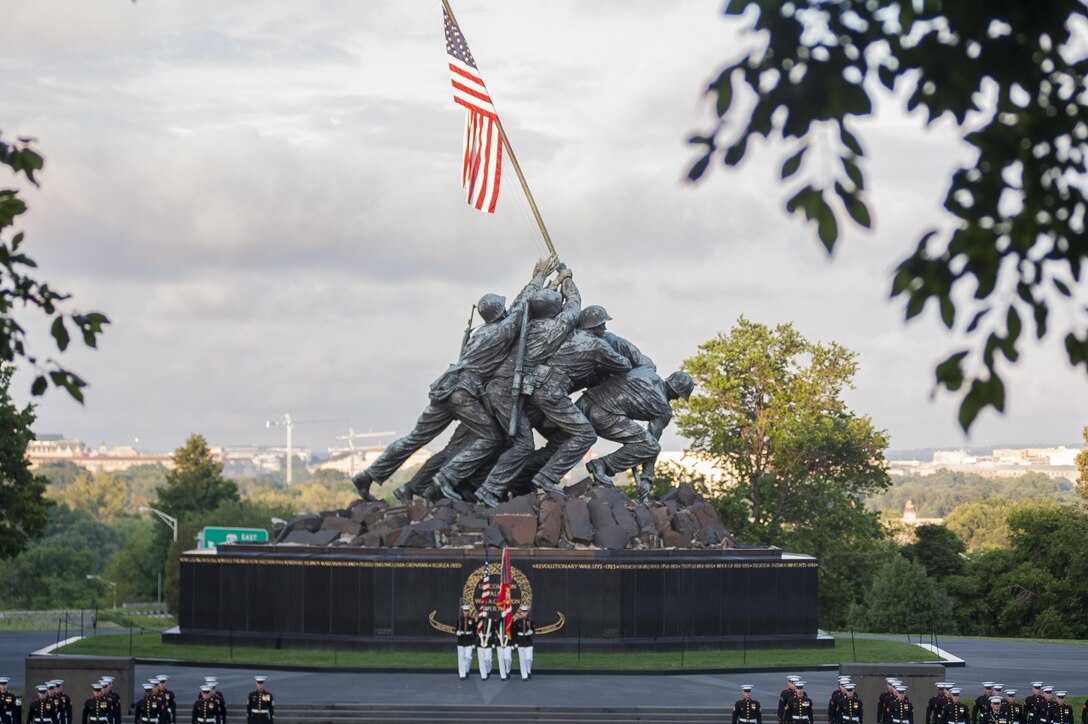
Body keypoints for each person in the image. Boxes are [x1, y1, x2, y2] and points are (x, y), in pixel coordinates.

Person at [354, 258, 556, 502]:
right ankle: (446, 478)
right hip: (464, 393)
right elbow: (521, 308)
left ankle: (370, 474)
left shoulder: (483, 331)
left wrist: (534, 278)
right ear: (499, 313)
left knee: (415, 438)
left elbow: (515, 308)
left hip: (446, 386)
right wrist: (539, 278)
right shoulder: (503, 331)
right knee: (491, 437)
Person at [579, 368, 693, 499]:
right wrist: (647, 478)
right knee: (651, 446)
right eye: (679, 395)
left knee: (560, 437)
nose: (678, 399)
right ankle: (602, 464)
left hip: (585, 402)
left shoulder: (647, 373)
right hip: (604, 415)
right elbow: (652, 443)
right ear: (674, 390)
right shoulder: (664, 409)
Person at [512, 605, 534, 681]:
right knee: (522, 659)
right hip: (520, 641)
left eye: (525, 612)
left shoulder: (530, 621)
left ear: (527, 612)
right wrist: (515, 642)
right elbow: (514, 633)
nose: (524, 613)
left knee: (529, 658)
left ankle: (528, 670)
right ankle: (524, 675)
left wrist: (531, 631)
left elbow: (534, 631)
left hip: (528, 642)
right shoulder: (517, 621)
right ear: (521, 612)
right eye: (523, 612)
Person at [456, 604, 476, 680]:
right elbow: (456, 629)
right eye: (465, 611)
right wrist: (457, 632)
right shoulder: (459, 619)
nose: (466, 612)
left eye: (467, 611)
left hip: (469, 640)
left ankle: (467, 670)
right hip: (461, 640)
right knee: (461, 658)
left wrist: (474, 643)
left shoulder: (472, 620)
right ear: (462, 611)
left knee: (468, 657)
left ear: (469, 611)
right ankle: (462, 674)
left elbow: (474, 632)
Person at [475, 612, 496, 680]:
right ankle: (483, 675)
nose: (485, 615)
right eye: (484, 613)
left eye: (486, 613)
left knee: (488, 659)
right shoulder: (479, 620)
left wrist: (493, 642)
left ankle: (488, 670)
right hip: (480, 642)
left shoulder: (491, 621)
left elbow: (493, 632)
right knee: (481, 660)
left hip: (488, 641)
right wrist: (479, 617)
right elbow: (475, 628)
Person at [495, 617, 513, 682]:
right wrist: (501, 618)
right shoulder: (498, 621)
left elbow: (513, 632)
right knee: (501, 660)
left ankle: (508, 670)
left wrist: (513, 643)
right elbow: (494, 625)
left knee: (508, 658)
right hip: (499, 642)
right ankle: (503, 675)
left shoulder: (510, 622)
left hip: (508, 642)